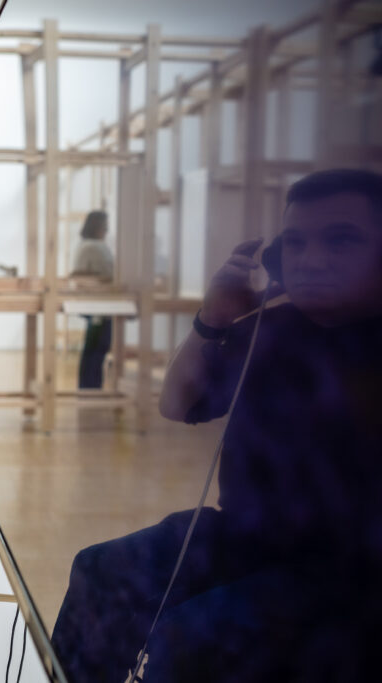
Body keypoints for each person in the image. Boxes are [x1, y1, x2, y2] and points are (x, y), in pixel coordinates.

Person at [51, 168, 382, 682]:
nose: (312, 260)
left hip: (350, 569)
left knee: (191, 638)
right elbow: (177, 404)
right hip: (250, 536)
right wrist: (214, 317)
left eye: (341, 240)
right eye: (295, 244)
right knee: (99, 570)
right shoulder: (271, 329)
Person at [70, 210, 115, 389]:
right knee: (96, 349)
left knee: (95, 349)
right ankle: (90, 389)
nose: (107, 228)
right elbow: (107, 274)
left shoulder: (91, 245)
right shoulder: (92, 247)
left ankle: (90, 388)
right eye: (104, 224)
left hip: (101, 304)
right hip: (98, 305)